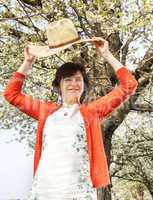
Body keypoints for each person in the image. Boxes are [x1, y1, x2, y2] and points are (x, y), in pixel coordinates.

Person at [3, 37, 138, 199]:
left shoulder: (92, 112)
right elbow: (11, 94)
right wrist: (27, 64)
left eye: (78, 80)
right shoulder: (45, 111)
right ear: (58, 85)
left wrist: (107, 54)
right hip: (44, 190)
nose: (73, 83)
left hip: (78, 192)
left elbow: (129, 84)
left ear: (84, 86)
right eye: (68, 79)